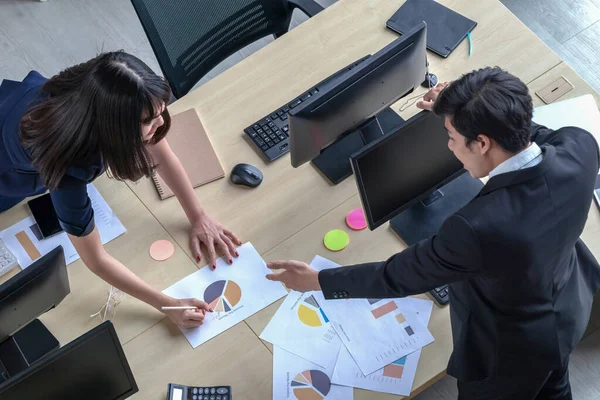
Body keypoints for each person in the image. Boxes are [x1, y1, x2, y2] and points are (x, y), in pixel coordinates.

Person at [266, 67, 600, 399]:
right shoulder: (581, 147)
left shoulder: (477, 228)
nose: (450, 146)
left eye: (452, 137)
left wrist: (319, 281)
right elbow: (526, 133)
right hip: (569, 304)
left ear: (482, 142)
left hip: (512, 351)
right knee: (554, 387)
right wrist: (463, 110)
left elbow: (396, 276)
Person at [0, 51, 242, 328]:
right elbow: (96, 259)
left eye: (161, 112)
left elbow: (160, 155)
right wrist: (167, 304)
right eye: (150, 121)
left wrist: (198, 216)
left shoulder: (103, 89)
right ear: (116, 127)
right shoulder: (69, 163)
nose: (161, 124)